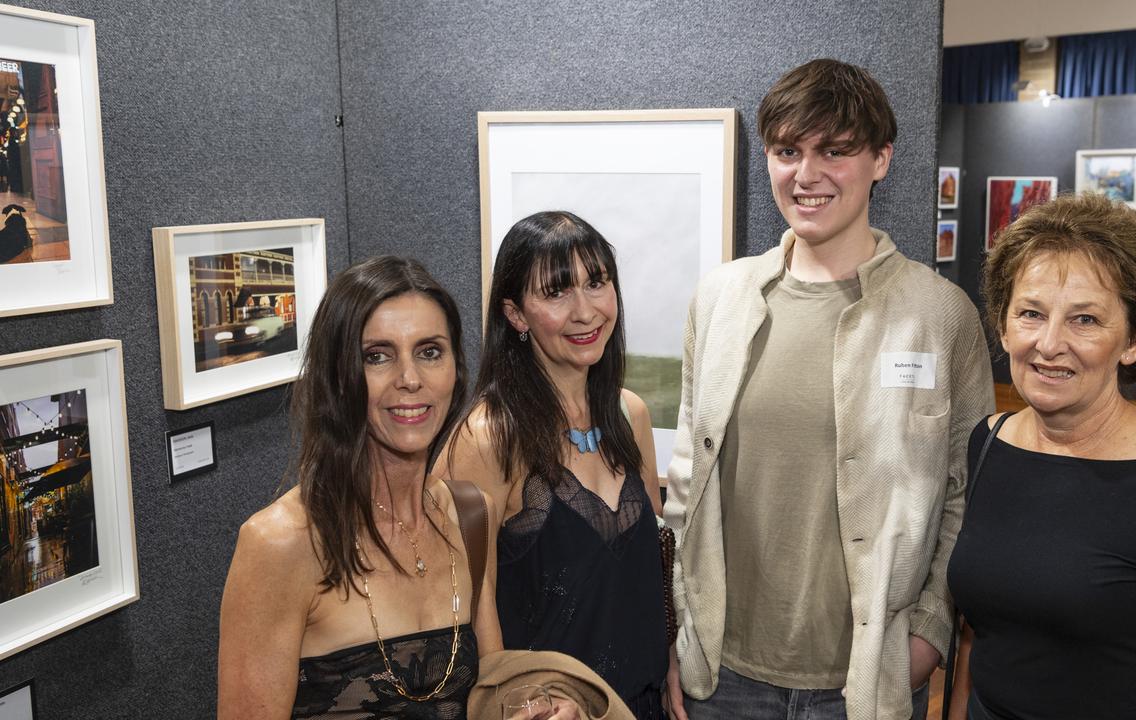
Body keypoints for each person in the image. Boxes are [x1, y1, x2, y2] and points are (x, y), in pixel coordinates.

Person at [663, 58, 995, 720]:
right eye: (788, 151)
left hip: (869, 682)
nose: (806, 174)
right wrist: (675, 628)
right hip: (724, 677)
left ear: (881, 159)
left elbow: (968, 494)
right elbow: (686, 482)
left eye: (834, 151)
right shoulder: (720, 300)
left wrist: (929, 630)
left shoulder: (942, 314)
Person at [947, 193, 1136, 720]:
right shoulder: (990, 441)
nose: (1049, 344)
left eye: (1085, 320)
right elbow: (978, 637)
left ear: (1135, 338)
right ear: (1003, 325)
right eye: (1031, 313)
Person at [217, 256, 504, 718]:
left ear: (456, 368)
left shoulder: (472, 515)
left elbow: (493, 701)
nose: (410, 379)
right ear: (337, 378)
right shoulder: (279, 545)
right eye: (377, 356)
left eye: (430, 351)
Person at [438, 210, 669, 719]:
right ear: (516, 315)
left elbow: (648, 569)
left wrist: (670, 657)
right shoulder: (488, 436)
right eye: (557, 292)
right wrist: (521, 703)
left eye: (597, 283)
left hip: (644, 705)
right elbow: (461, 602)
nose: (586, 311)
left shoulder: (631, 415)